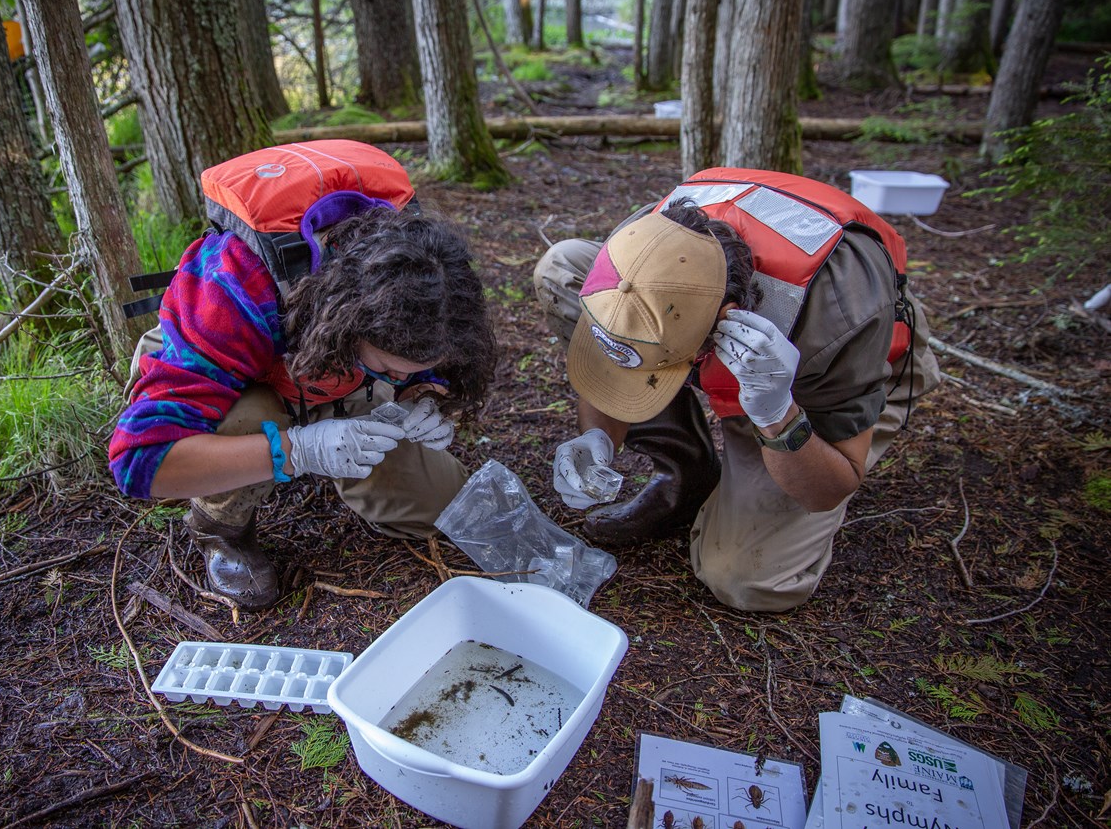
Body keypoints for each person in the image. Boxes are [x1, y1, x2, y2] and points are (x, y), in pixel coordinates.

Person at [534, 169, 940, 612]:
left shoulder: (839, 317)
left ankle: (742, 471)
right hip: (745, 337)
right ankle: (686, 473)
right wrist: (598, 438)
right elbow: (621, 348)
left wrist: (775, 413)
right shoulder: (640, 244)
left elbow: (828, 487)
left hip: (822, 367)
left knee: (745, 576)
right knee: (563, 267)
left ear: (728, 319)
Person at [110, 203, 495, 611]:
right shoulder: (234, 291)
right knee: (248, 420)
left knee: (441, 502)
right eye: (389, 368)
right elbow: (139, 460)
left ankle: (341, 427)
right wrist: (300, 450)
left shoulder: (423, 281)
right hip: (240, 378)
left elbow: (415, 364)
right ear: (348, 321)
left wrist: (423, 395)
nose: (399, 376)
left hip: (340, 377)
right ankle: (218, 524)